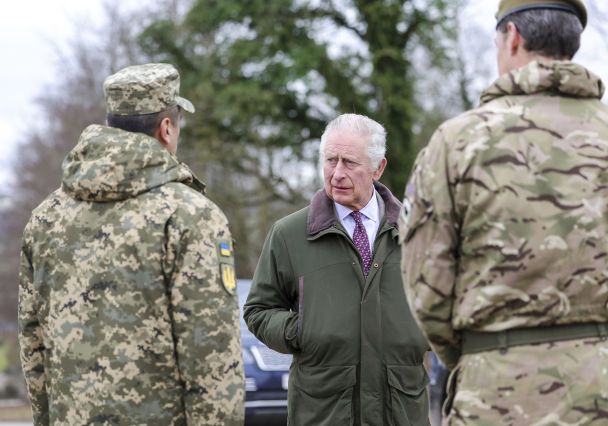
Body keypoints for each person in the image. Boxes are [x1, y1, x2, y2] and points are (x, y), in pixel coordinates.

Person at [400, 0, 608, 424]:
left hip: (496, 394)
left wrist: (477, 353)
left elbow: (425, 285)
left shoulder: (456, 143)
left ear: (512, 37)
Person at [18, 63, 244, 425]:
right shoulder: (190, 216)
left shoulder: (45, 218)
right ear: (166, 128)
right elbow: (211, 358)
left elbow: (34, 346)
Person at [244, 113, 430, 426]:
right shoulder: (290, 234)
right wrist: (302, 330)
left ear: (378, 168)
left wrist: (418, 336)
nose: (337, 173)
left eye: (349, 162)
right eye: (331, 160)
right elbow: (258, 310)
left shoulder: (418, 232)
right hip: (323, 412)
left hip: (402, 409)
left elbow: (447, 303)